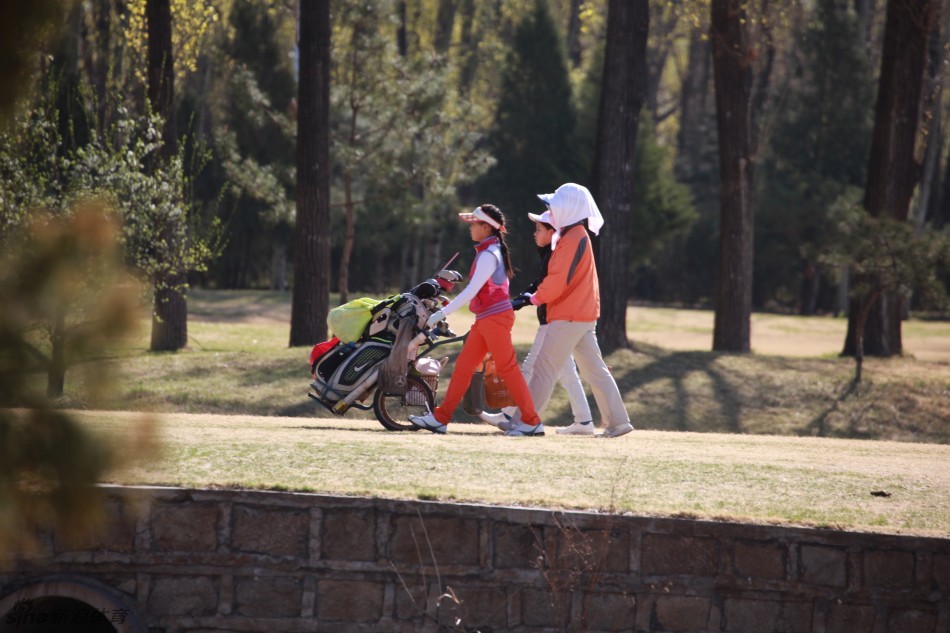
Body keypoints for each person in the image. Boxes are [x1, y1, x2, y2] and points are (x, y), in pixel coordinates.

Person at [502, 183, 633, 438]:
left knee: (543, 370)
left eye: (554, 205)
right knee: (595, 371)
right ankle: (618, 422)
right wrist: (535, 297)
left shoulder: (572, 239)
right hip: (582, 315)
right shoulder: (576, 235)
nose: (550, 209)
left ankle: (526, 422)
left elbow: (558, 280)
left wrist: (534, 298)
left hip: (568, 316)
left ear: (568, 207)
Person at [408, 204, 544, 436]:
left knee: (507, 369)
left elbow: (471, 291)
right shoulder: (489, 251)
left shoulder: (489, 254)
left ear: (485, 227)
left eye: (474, 223)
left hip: (494, 319)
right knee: (463, 368)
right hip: (487, 319)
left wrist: (440, 314)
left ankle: (532, 421)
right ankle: (440, 418)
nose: (471, 228)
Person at [479, 211, 594, 435]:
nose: (534, 233)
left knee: (532, 366)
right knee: (565, 371)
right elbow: (539, 282)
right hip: (554, 319)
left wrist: (526, 299)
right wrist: (524, 297)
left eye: (539, 229)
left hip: (556, 320)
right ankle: (584, 421)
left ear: (552, 231)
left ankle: (511, 414)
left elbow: (550, 286)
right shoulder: (552, 251)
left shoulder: (558, 252)